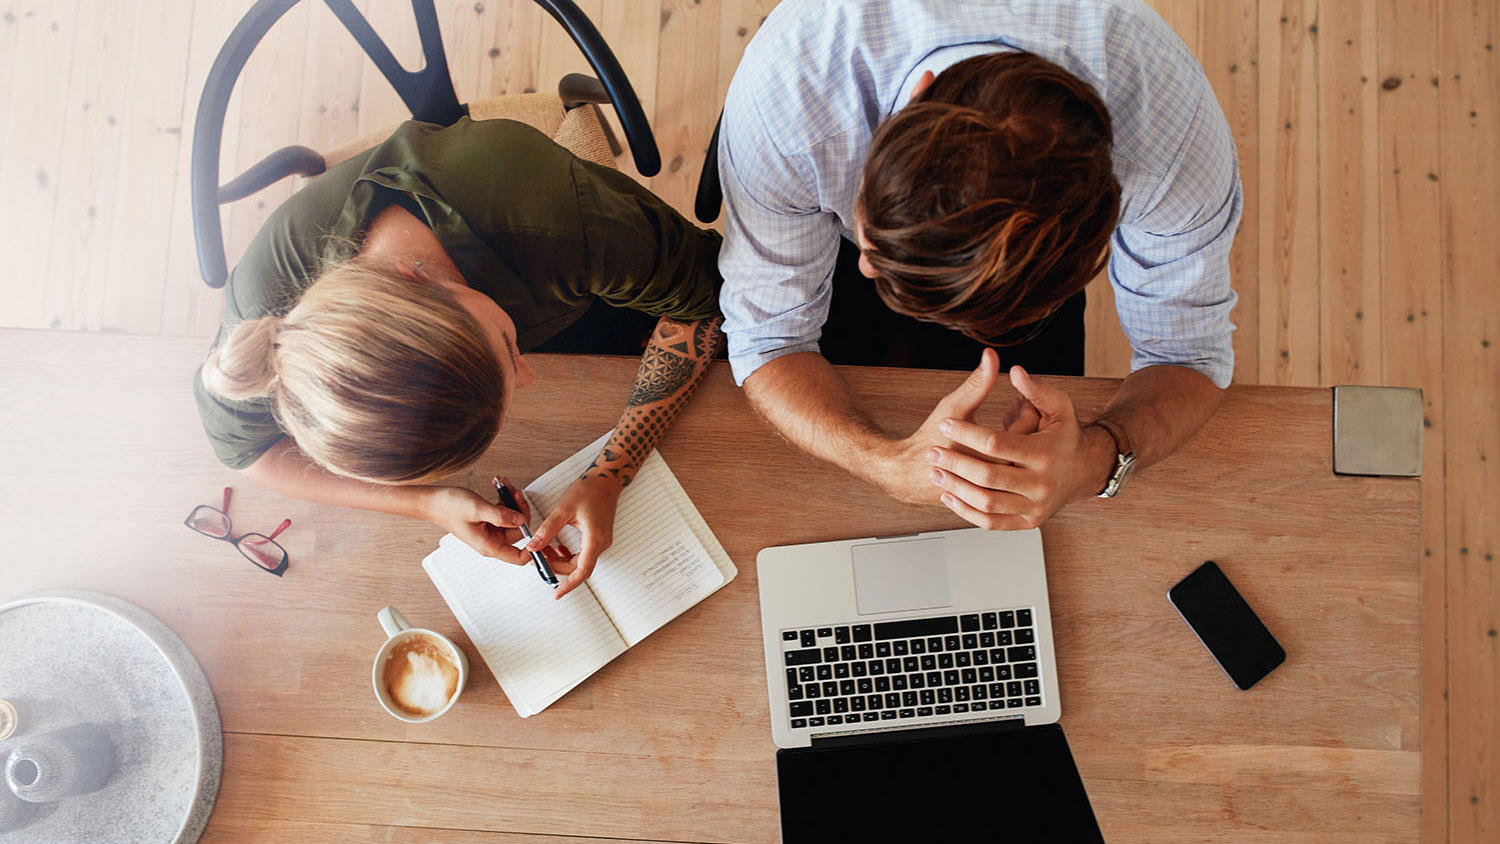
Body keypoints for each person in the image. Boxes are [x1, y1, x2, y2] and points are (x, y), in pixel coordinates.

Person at [716, 0, 1241, 529]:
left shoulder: (1173, 145)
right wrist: (882, 463)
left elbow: (1188, 356)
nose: (867, 270)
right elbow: (770, 338)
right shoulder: (787, 98)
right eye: (874, 242)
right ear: (914, 99)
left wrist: (1092, 462)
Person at [195, 117, 724, 597]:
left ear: (412, 274)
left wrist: (613, 469)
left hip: (558, 251)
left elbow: (714, 303)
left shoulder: (554, 216)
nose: (529, 375)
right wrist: (426, 503)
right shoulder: (268, 326)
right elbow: (248, 455)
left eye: (509, 345)